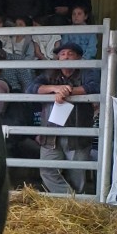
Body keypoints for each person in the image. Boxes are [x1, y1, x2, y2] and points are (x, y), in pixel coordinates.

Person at [33, 42, 90, 194]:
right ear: (58, 58)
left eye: (70, 54)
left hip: (77, 133)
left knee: (77, 175)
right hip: (51, 133)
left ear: (78, 58)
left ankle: (77, 202)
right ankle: (71, 201)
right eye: (62, 54)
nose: (66, 57)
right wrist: (55, 88)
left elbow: (94, 86)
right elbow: (32, 87)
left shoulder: (86, 73)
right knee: (47, 170)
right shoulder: (49, 74)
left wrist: (68, 91)